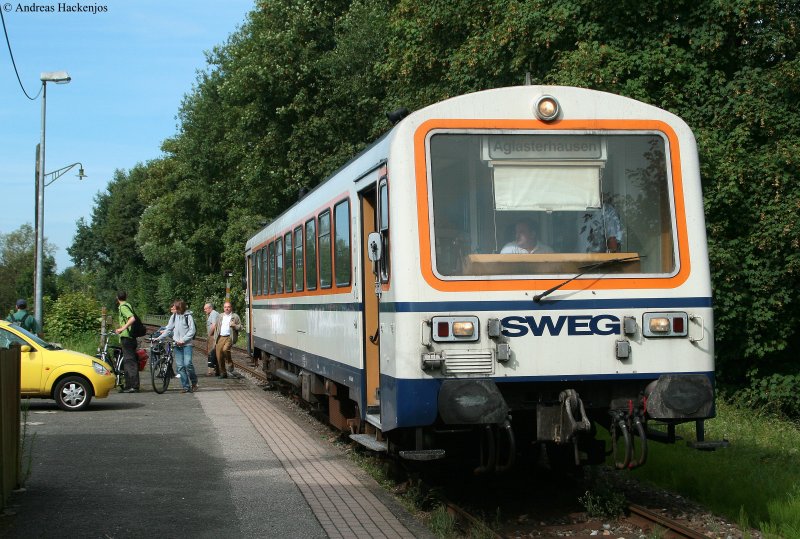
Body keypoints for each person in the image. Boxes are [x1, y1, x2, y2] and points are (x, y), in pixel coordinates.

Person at [158, 299, 198, 393]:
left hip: (187, 344)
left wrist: (183, 340)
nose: (173, 308)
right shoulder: (174, 316)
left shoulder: (188, 316)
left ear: (180, 307)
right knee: (180, 366)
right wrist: (159, 338)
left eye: (175, 307)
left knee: (188, 364)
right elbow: (168, 329)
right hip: (177, 345)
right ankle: (186, 387)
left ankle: (194, 382)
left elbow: (192, 330)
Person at [114, 291, 140, 393]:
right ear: (126, 297)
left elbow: (132, 318)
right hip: (131, 337)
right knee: (128, 361)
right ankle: (128, 385)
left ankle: (133, 386)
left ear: (117, 298)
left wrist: (122, 328)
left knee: (130, 362)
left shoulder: (123, 307)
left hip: (127, 338)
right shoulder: (128, 304)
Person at [213, 301, 242, 379]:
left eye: (228, 307)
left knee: (225, 350)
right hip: (220, 337)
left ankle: (229, 362)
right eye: (225, 307)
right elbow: (216, 327)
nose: (227, 308)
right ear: (223, 308)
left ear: (231, 308)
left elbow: (240, 327)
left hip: (229, 337)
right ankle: (223, 373)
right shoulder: (220, 316)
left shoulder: (235, 316)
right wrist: (215, 337)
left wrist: (234, 325)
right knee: (219, 356)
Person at [203, 302, 219, 377]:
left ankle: (211, 371)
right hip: (212, 336)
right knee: (211, 353)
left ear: (210, 308)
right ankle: (214, 370)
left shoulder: (213, 314)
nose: (205, 310)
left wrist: (209, 334)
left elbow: (214, 325)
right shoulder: (211, 314)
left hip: (213, 336)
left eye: (205, 309)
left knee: (212, 353)